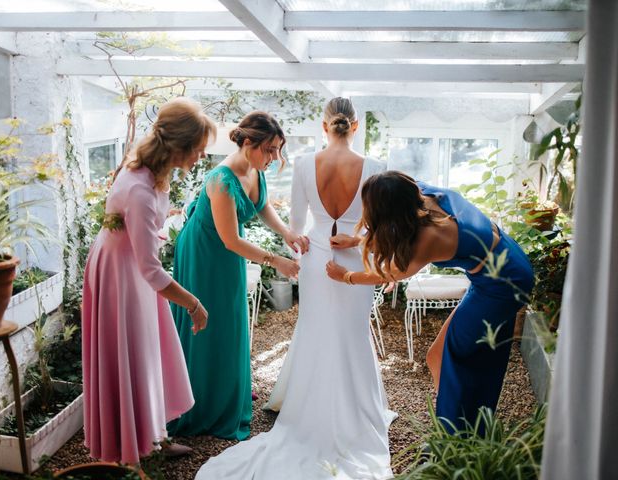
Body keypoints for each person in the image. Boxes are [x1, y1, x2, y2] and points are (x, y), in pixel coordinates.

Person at [195, 97, 394, 480]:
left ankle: (309, 410)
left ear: (324, 127)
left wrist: (299, 248)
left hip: (317, 261)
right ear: (354, 126)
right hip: (352, 260)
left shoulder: (304, 164)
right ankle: (356, 412)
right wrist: (355, 240)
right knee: (353, 335)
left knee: (315, 332)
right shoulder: (377, 168)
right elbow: (378, 229)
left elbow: (297, 227)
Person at [326, 171, 534, 431]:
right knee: (444, 356)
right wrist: (358, 240)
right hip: (500, 267)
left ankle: (455, 437)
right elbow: (399, 229)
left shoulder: (429, 239)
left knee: (455, 359)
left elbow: (388, 274)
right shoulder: (422, 195)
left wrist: (345, 276)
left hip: (503, 283)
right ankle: (463, 424)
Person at [81, 97, 215, 465]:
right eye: (199, 150)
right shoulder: (139, 187)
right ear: (179, 147)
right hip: (120, 278)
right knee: (131, 354)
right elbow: (151, 270)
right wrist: (193, 302)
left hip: (130, 268)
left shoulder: (151, 172)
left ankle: (154, 433)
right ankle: (127, 448)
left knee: (153, 350)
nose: (200, 157)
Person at [168, 111, 307, 440]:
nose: (275, 158)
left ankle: (227, 389)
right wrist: (277, 262)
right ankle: (199, 403)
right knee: (206, 324)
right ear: (248, 143)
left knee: (231, 319)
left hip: (227, 254)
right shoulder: (222, 178)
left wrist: (287, 232)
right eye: (270, 150)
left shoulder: (255, 168)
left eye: (278, 150)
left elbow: (262, 206)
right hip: (203, 254)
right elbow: (230, 238)